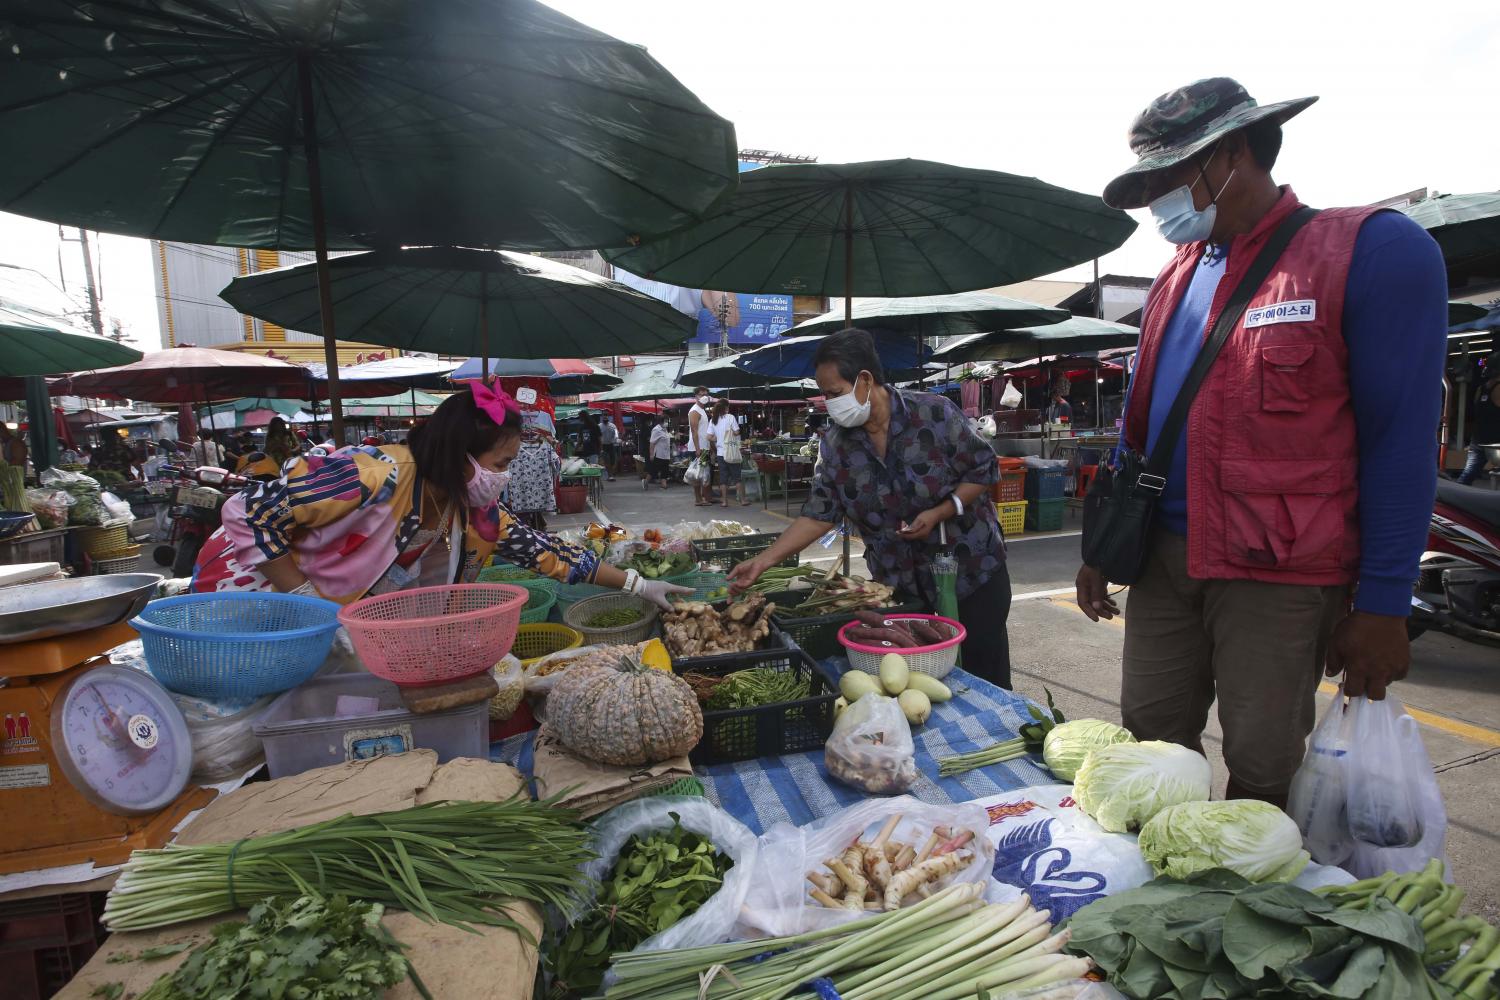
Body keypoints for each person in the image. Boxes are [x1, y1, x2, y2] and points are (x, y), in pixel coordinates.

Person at [1075, 77, 1447, 806]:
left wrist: (1383, 602)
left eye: (1167, 177)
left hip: (1278, 569)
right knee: (1149, 742)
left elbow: (1401, 440)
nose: (1157, 200)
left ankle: (1245, 895)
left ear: (1233, 155)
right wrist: (1100, 548)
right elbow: (1139, 428)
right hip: (1160, 556)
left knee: (1262, 761)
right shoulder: (1172, 278)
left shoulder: (1367, 250)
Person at [193, 384, 691, 607]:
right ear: (459, 455)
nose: (503, 478)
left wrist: (637, 586)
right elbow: (247, 510)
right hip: (256, 594)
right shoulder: (375, 475)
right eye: (499, 465)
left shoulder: (473, 511)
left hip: (346, 620)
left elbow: (545, 553)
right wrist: (304, 599)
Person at [727, 329, 1012, 686]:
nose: (829, 403)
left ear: (864, 379)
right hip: (900, 586)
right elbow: (819, 512)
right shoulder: (836, 445)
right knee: (915, 680)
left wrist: (940, 512)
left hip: (971, 569)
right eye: (824, 395)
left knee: (986, 672)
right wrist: (764, 560)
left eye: (834, 393)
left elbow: (984, 469)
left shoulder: (935, 415)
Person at [1457, 352, 1500, 485]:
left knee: (1469, 473)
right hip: (1495, 441)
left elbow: (1477, 410)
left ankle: (1454, 497)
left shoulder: (1481, 389)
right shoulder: (1499, 388)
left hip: (1479, 438)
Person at [708, 399, 748, 507]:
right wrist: (732, 432)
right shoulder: (730, 417)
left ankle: (724, 501)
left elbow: (709, 437)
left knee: (723, 478)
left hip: (721, 453)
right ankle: (743, 500)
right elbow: (736, 432)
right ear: (725, 407)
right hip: (732, 451)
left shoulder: (713, 420)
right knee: (737, 477)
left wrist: (718, 438)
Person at [687, 386, 715, 506]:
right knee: (698, 474)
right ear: (696, 396)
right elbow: (694, 431)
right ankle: (699, 499)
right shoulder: (695, 411)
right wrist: (698, 449)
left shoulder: (702, 409)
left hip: (704, 447)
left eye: (706, 394)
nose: (704, 396)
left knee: (704, 473)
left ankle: (706, 498)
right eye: (701, 394)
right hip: (698, 448)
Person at [648, 416, 673, 489]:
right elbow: (652, 443)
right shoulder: (656, 430)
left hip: (666, 454)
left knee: (665, 469)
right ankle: (646, 481)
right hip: (659, 454)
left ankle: (663, 484)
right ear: (661, 421)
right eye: (665, 421)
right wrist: (651, 454)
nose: (666, 423)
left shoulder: (665, 430)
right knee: (654, 470)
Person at [600, 416, 619, 481]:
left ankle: (610, 474)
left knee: (613, 461)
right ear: (602, 418)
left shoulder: (613, 426)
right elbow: (598, 437)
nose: (605, 418)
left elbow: (616, 435)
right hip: (603, 445)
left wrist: (616, 440)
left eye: (606, 416)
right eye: (604, 416)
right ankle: (610, 476)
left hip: (611, 445)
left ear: (608, 418)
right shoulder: (599, 426)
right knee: (607, 460)